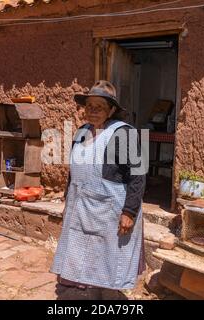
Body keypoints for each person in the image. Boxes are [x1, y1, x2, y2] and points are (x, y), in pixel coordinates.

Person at [50, 80, 146, 299]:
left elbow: (138, 176)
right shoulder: (81, 132)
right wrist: (67, 201)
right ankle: (88, 292)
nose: (92, 111)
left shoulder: (124, 133)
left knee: (109, 256)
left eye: (100, 106)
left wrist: (129, 212)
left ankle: (109, 296)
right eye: (89, 105)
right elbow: (73, 172)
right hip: (81, 205)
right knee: (82, 253)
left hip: (110, 209)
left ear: (111, 110)